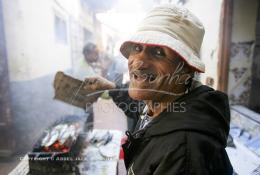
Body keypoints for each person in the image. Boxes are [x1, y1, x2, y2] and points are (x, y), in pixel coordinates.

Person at [84, 4, 233, 175]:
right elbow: (139, 106)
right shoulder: (162, 101)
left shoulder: (183, 154)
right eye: (137, 48)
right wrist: (110, 88)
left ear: (186, 70)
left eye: (159, 52)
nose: (139, 62)